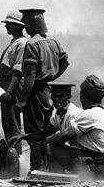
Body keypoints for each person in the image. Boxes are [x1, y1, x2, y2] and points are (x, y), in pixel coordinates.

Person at [43, 75, 104, 182]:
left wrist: (46, 140)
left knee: (50, 147)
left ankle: (55, 183)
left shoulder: (89, 115)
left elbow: (62, 138)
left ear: (82, 97)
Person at [16, 9, 69, 171]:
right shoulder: (54, 42)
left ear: (32, 23)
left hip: (36, 93)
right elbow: (65, 63)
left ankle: (36, 171)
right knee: (48, 133)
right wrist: (51, 77)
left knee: (35, 136)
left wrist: (23, 100)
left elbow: (30, 75)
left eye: (26, 23)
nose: (25, 27)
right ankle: (49, 169)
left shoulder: (32, 44)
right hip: (49, 92)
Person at [8, 81, 82, 169]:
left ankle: (68, 173)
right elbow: (44, 134)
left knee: (49, 146)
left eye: (61, 96)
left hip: (83, 155)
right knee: (47, 143)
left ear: (69, 97)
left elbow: (75, 143)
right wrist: (23, 136)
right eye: (54, 96)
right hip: (75, 153)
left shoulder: (73, 114)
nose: (57, 99)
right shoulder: (57, 115)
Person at [0, 10, 27, 155]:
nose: (6, 26)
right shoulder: (14, 42)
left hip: (13, 86)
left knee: (12, 123)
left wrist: (9, 92)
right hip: (7, 83)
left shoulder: (22, 44)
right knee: (8, 123)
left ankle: (15, 157)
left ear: (18, 26)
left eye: (9, 24)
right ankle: (13, 155)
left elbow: (18, 71)